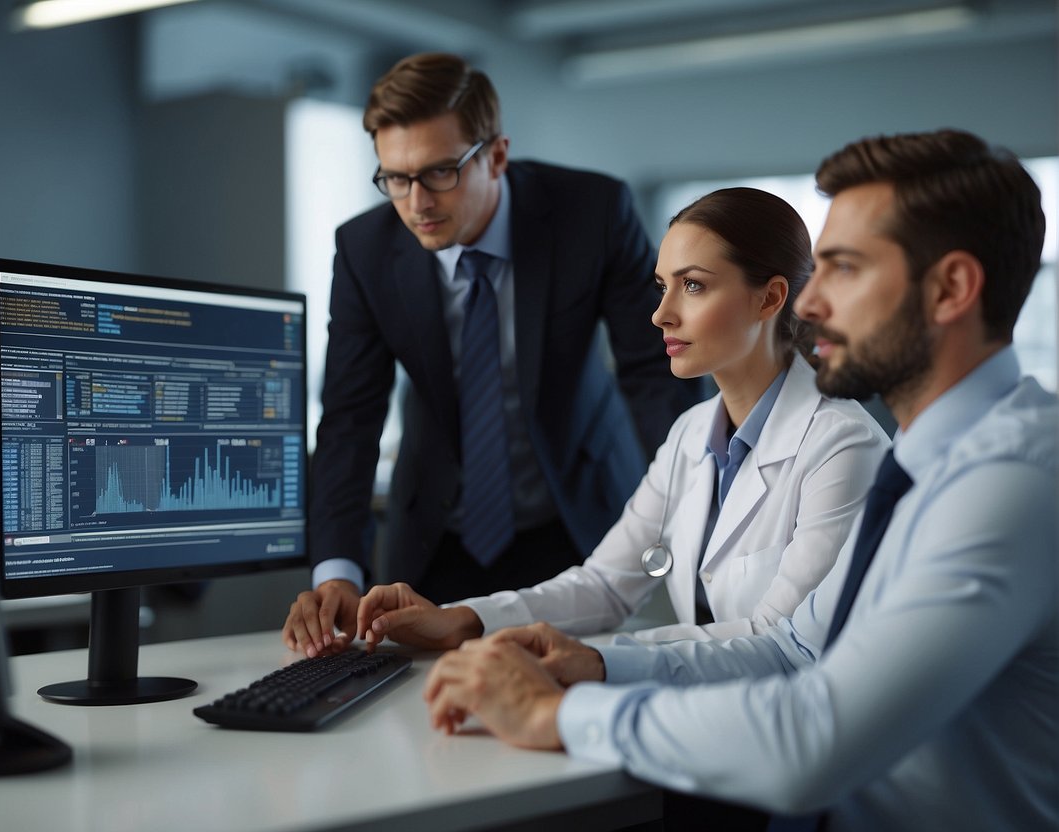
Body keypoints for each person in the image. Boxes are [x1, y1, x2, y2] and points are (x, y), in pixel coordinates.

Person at [422, 128, 1056, 832]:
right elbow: (792, 647)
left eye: (843, 270)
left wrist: (557, 712)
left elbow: (815, 735)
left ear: (950, 289)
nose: (809, 306)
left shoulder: (1008, 482)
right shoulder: (926, 459)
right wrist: (587, 664)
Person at [282, 52, 701, 657]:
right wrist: (337, 574)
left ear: (496, 155)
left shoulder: (592, 213)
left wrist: (693, 502)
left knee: (571, 696)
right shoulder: (365, 250)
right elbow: (350, 418)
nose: (416, 202)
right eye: (395, 178)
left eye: (440, 172)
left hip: (576, 518)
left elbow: (654, 371)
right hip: (437, 532)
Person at [355, 187, 889, 655]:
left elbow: (779, 641)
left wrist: (593, 659)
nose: (661, 314)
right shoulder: (691, 433)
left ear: (770, 298)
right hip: (701, 715)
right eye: (662, 286)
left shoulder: (844, 446)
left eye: (694, 286)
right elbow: (606, 585)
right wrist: (461, 620)